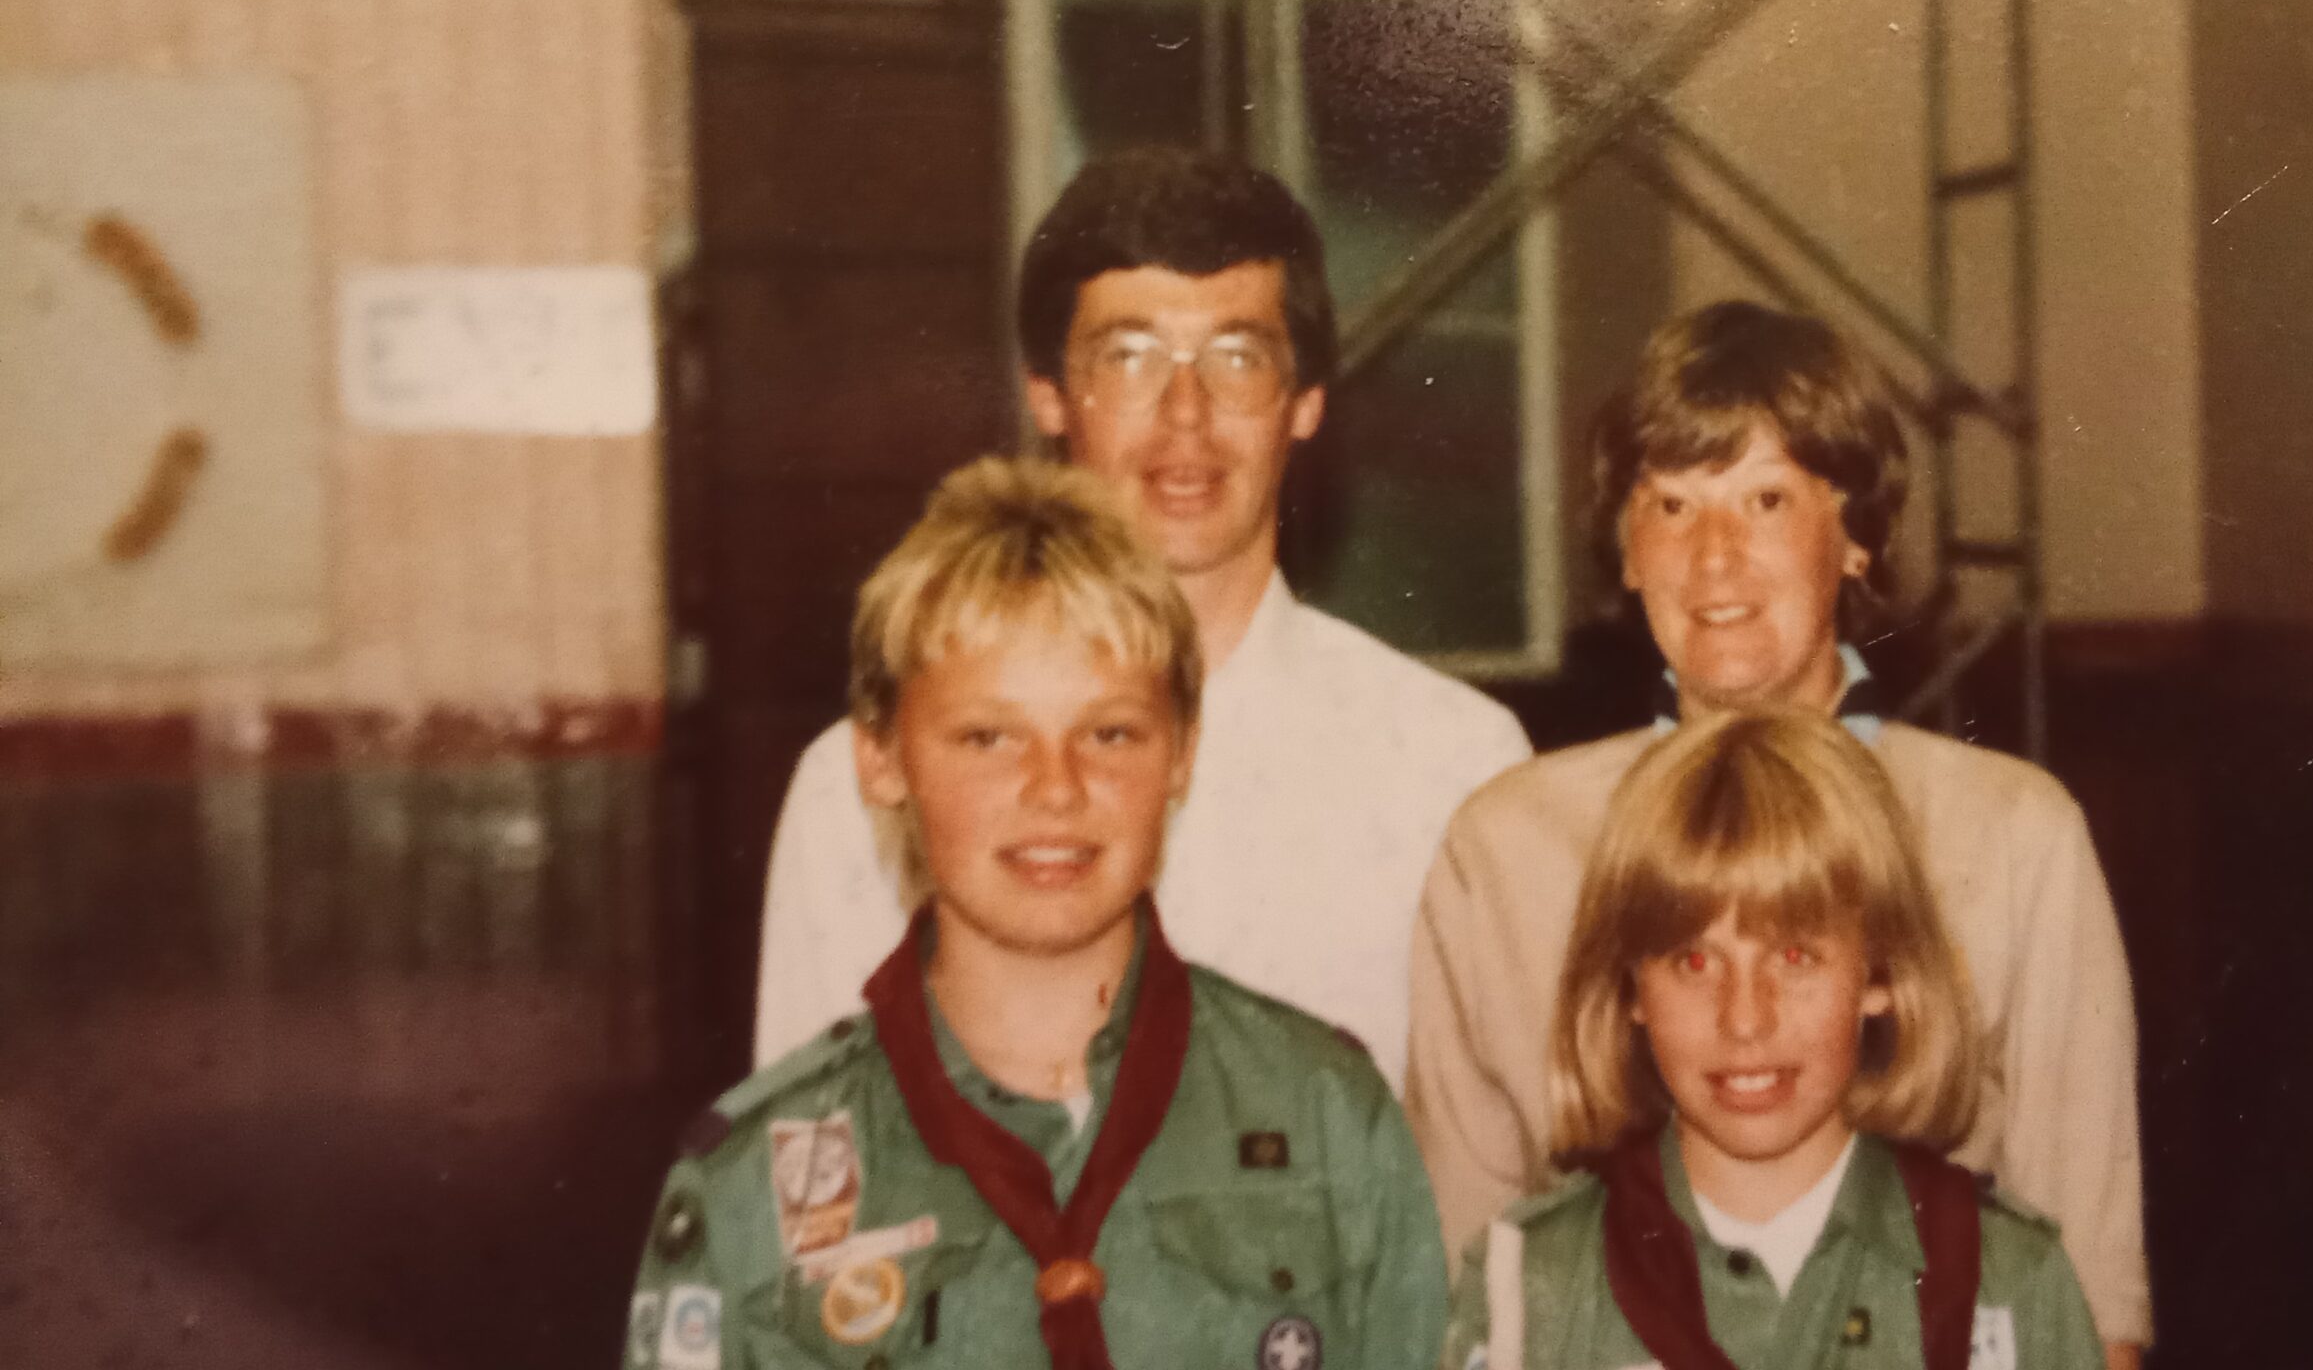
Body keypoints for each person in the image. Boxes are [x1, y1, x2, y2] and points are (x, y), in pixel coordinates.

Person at [1406, 302, 2150, 1363]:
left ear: (1855, 538)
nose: (1713, 558)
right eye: (1671, 505)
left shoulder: (2013, 836)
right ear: (1625, 551)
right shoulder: (1506, 850)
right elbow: (1460, 1281)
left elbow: (2089, 1300)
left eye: (1765, 500)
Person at [629, 458, 1448, 1370]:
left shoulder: (1326, 1120)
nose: (1057, 789)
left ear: (1181, 753)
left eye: (1110, 733)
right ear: (881, 759)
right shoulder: (748, 1185)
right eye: (988, 737)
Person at [757, 147, 1531, 1082]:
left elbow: (1494, 1151)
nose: (1185, 416)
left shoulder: (1452, 769)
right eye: (1128, 358)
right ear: (1048, 395)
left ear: (1305, 402)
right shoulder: (867, 788)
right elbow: (806, 1151)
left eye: (1238, 358)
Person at [1439, 709, 2103, 1370]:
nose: (1745, 1019)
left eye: (1794, 957)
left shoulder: (2007, 1285)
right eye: (1694, 962)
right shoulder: (1530, 1287)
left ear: (1880, 974)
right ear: (1630, 988)